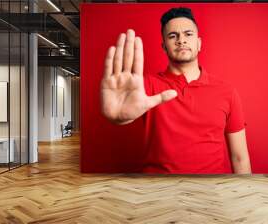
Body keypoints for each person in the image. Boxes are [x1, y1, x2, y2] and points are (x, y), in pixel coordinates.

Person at [100, 7, 251, 174]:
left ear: (199, 43)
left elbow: (240, 158)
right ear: (164, 46)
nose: (181, 40)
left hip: (212, 191)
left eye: (188, 34)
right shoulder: (144, 86)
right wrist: (118, 118)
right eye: (173, 36)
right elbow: (126, 110)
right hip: (158, 190)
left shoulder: (227, 92)